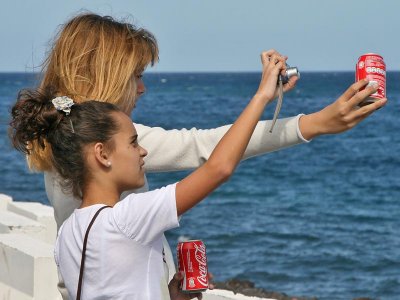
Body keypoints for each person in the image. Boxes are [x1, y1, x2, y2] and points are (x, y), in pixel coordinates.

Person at [25, 13, 386, 299]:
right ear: (102, 154)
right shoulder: (124, 207)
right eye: (135, 74)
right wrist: (312, 121)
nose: (142, 86)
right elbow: (213, 156)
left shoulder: (65, 154)